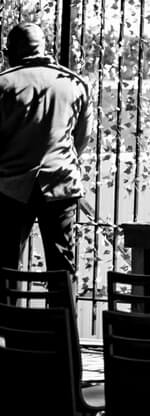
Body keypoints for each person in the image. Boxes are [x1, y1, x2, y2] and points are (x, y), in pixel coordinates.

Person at [0, 24, 87, 275]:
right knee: (63, 265)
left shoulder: (4, 84)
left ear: (12, 52)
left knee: (6, 264)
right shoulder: (73, 82)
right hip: (61, 183)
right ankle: (63, 314)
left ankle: (7, 314)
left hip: (10, 187)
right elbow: (80, 140)